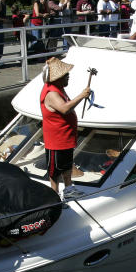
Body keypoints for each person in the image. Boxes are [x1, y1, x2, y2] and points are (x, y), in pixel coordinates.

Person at [40, 57, 92, 197]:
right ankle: (54, 197)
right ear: (58, 77)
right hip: (56, 140)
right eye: (66, 75)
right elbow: (64, 109)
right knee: (54, 171)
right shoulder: (51, 93)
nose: (68, 77)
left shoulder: (59, 88)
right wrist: (81, 96)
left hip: (65, 138)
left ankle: (69, 189)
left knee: (67, 165)